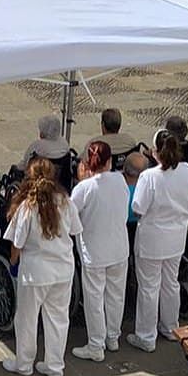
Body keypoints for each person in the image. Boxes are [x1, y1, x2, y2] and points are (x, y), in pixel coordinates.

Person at [3, 158, 82, 376]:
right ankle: (55, 366)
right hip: (63, 270)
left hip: (35, 272)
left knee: (27, 319)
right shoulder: (66, 202)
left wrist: (12, 262)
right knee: (58, 319)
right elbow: (75, 230)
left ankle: (24, 363)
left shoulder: (28, 206)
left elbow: (17, 243)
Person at [127, 130, 188, 351]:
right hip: (176, 238)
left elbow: (138, 207)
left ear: (156, 152)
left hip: (152, 239)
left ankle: (146, 336)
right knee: (170, 283)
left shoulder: (150, 177)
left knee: (149, 287)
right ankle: (170, 327)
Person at [68, 141, 131, 362]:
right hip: (118, 247)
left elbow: (69, 215)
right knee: (116, 295)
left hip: (94, 250)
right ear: (110, 161)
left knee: (95, 297)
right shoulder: (120, 180)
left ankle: (96, 343)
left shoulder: (83, 188)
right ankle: (112, 336)